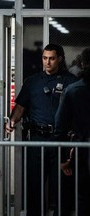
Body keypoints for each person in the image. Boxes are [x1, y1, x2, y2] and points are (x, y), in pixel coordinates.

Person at [5, 44, 77, 215]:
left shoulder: (71, 82)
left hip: (61, 142)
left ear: (60, 58)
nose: (48, 62)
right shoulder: (33, 82)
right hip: (37, 141)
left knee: (61, 189)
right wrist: (12, 121)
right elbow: (21, 106)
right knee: (34, 188)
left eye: (52, 58)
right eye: (45, 58)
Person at [55, 47, 90, 216]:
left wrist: (63, 159)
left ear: (82, 64)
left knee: (84, 198)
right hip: (82, 150)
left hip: (83, 151)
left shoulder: (73, 90)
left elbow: (60, 126)